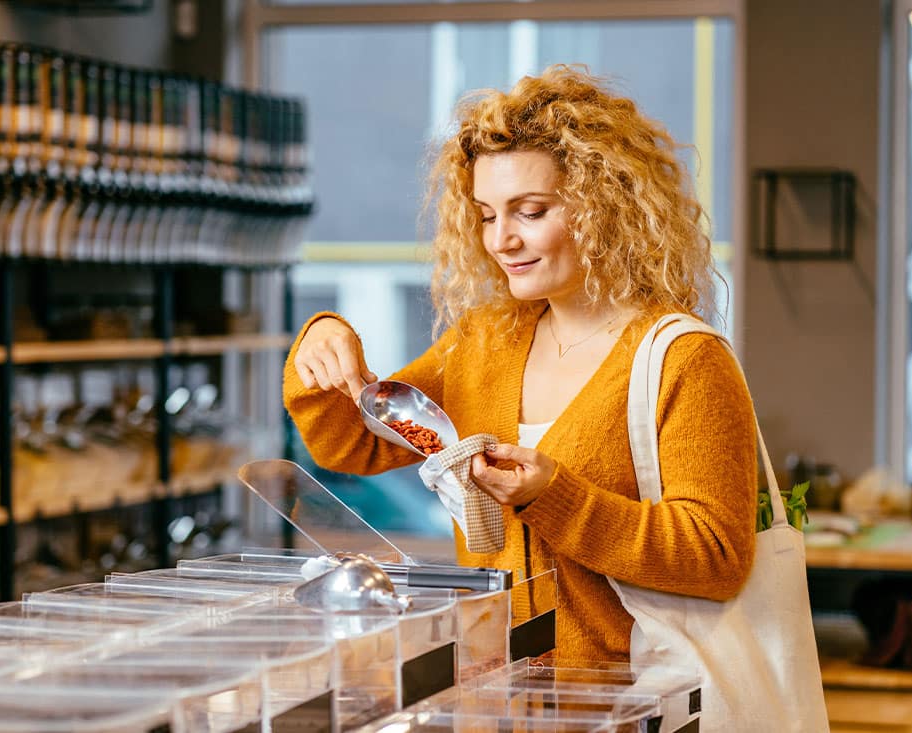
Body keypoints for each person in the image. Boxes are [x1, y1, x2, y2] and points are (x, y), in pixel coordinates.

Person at [283, 66, 757, 666]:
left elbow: (716, 558)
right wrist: (321, 343)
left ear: (606, 208)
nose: (500, 240)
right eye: (486, 215)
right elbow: (354, 444)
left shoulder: (683, 359)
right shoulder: (484, 342)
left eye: (530, 211)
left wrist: (555, 495)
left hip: (632, 701)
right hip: (499, 690)